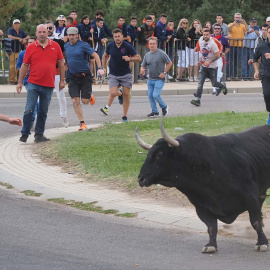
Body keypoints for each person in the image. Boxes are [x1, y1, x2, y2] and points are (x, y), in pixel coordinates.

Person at [16, 24, 65, 143]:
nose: (42, 34)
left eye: (44, 32)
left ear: (47, 33)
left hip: (48, 84)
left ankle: (39, 135)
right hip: (33, 83)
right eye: (40, 32)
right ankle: (24, 133)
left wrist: (62, 81)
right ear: (36, 33)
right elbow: (24, 65)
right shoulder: (31, 47)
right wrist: (20, 82)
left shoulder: (55, 46)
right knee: (29, 109)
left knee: (43, 111)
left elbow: (61, 63)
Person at [65, 27, 104, 131]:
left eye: (73, 35)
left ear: (77, 35)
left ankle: (89, 96)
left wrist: (100, 68)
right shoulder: (66, 46)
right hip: (73, 77)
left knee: (85, 101)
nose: (71, 37)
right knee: (75, 100)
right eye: (69, 35)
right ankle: (82, 123)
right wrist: (64, 64)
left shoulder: (83, 45)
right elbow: (64, 57)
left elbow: (95, 55)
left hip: (85, 76)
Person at [100, 28, 141, 122]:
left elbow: (138, 58)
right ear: (113, 37)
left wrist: (130, 59)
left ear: (122, 37)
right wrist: (103, 68)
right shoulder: (110, 46)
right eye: (115, 37)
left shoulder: (127, 46)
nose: (117, 38)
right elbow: (104, 56)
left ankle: (124, 116)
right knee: (113, 93)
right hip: (113, 74)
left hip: (125, 73)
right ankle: (119, 93)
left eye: (119, 36)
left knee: (126, 95)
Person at [190, 29, 227, 107]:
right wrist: (200, 61)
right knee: (200, 83)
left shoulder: (213, 43)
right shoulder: (200, 40)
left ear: (210, 35)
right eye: (204, 34)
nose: (205, 36)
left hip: (212, 67)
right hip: (204, 67)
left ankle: (222, 85)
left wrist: (209, 62)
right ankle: (197, 99)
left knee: (214, 84)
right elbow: (202, 53)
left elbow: (217, 55)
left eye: (207, 35)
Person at [140, 37, 172, 117]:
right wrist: (142, 70)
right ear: (148, 45)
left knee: (156, 95)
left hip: (159, 79)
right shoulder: (147, 55)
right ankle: (155, 111)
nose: (152, 45)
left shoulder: (161, 53)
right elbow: (143, 65)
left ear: (156, 45)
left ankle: (164, 106)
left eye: (153, 44)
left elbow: (169, 63)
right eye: (150, 44)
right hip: (150, 79)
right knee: (150, 95)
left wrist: (164, 72)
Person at [45, 20, 69, 128]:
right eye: (47, 28)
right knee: (42, 97)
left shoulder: (59, 42)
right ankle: (39, 119)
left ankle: (64, 116)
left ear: (53, 29)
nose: (48, 30)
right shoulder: (39, 42)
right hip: (44, 73)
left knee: (61, 96)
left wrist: (66, 65)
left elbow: (63, 55)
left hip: (57, 72)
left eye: (50, 28)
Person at [16, 37, 38, 129]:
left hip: (39, 80)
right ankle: (29, 121)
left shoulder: (39, 53)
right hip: (28, 81)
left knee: (37, 103)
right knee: (33, 101)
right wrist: (23, 72)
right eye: (28, 42)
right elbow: (18, 65)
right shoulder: (22, 53)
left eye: (32, 43)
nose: (29, 44)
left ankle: (31, 120)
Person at [253, 26, 270, 124]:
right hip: (266, 75)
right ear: (267, 33)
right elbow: (255, 58)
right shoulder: (262, 46)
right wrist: (256, 71)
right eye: (269, 32)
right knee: (267, 94)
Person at [7, 19, 30, 84]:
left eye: (18, 23)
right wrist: (19, 39)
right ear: (13, 25)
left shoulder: (21, 31)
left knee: (17, 65)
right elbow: (9, 36)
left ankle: (16, 79)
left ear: (19, 24)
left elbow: (28, 36)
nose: (16, 25)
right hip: (11, 50)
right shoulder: (10, 30)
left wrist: (24, 39)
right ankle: (11, 80)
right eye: (15, 23)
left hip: (19, 50)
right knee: (12, 65)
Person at [228, 13, 249, 80]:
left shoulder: (242, 25)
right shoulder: (231, 24)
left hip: (239, 46)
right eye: (236, 17)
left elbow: (247, 30)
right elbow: (227, 30)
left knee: (236, 62)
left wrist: (245, 22)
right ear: (234, 18)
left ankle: (235, 76)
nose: (238, 19)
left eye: (239, 17)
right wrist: (233, 24)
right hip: (231, 45)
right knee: (230, 61)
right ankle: (229, 76)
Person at [211, 23, 230, 95]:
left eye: (218, 29)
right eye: (215, 28)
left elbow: (228, 48)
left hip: (220, 57)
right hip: (212, 58)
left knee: (218, 73)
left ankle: (217, 88)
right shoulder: (211, 38)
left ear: (220, 30)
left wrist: (225, 52)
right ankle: (216, 88)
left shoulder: (223, 39)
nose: (217, 30)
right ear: (213, 29)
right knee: (213, 73)